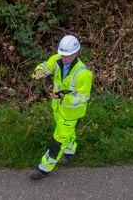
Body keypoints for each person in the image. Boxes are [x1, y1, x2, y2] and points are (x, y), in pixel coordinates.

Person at [29, 34, 93, 180]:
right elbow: (46, 66)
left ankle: (44, 168)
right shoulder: (58, 59)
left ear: (76, 53)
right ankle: (70, 152)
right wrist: (39, 70)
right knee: (67, 134)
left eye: (68, 56)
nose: (64, 58)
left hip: (72, 113)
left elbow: (83, 98)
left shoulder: (84, 74)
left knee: (59, 139)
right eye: (62, 54)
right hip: (58, 109)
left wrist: (63, 97)